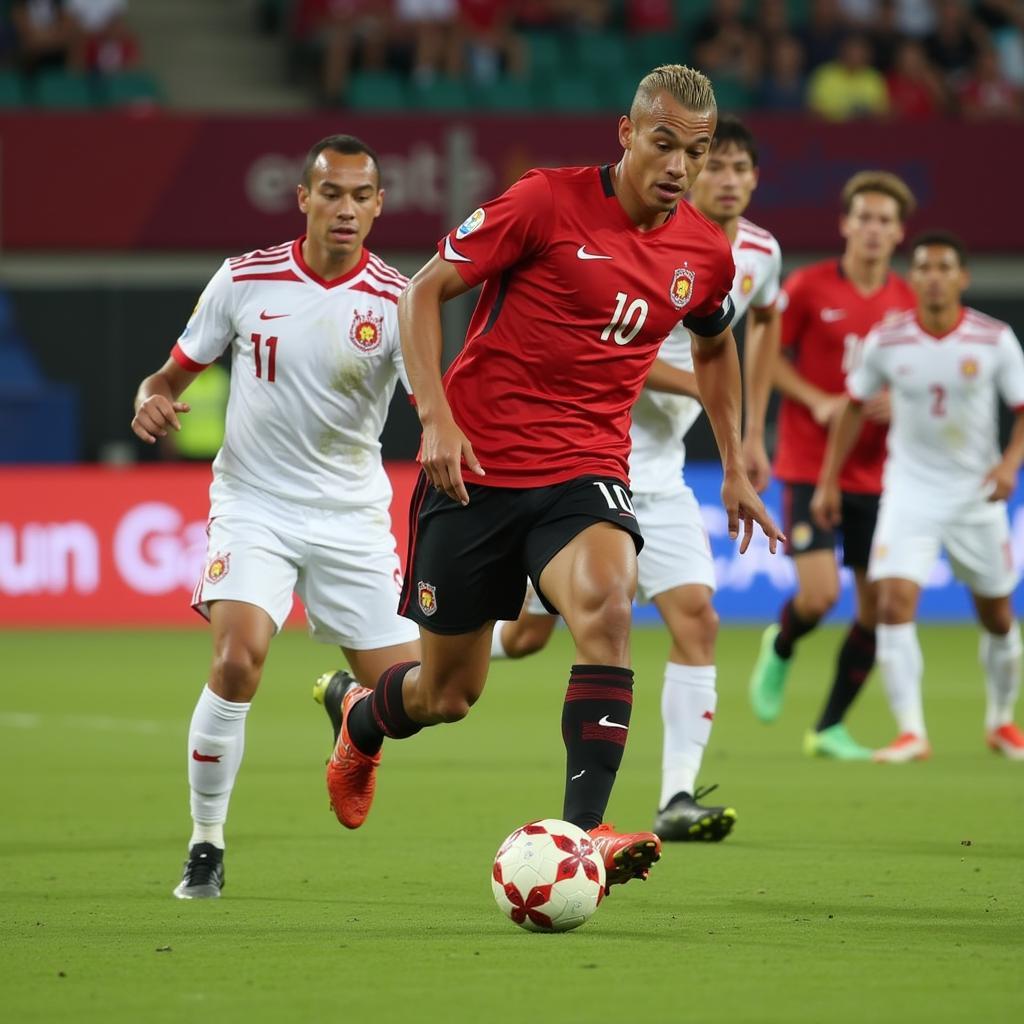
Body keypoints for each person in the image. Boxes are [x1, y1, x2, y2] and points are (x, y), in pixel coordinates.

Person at [319, 64, 783, 895]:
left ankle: (587, 829)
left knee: (609, 602)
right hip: (474, 470)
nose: (680, 166)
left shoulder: (704, 255)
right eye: (665, 143)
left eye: (699, 151)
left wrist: (737, 463)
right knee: (449, 695)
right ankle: (362, 715)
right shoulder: (543, 201)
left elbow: (715, 345)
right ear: (627, 134)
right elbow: (423, 293)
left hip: (586, 471)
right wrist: (434, 417)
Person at [130, 135, 421, 900]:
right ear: (304, 199)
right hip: (255, 505)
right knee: (236, 662)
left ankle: (353, 709)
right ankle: (206, 845)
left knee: (420, 697)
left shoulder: (400, 300)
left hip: (353, 516)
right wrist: (150, 396)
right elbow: (171, 370)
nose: (347, 209)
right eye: (333, 193)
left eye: (363, 196)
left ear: (380, 205)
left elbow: (436, 408)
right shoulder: (244, 279)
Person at [487, 115, 783, 843]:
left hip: (663, 471)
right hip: (579, 462)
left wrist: (746, 438)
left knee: (696, 618)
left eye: (728, 163)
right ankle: (423, 655)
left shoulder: (757, 254)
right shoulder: (626, 232)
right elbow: (617, 348)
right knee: (525, 638)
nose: (721, 178)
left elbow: (759, 330)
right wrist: (699, 389)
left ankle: (675, 798)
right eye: (711, 165)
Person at [812, 231, 1024, 762]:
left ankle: (1001, 721)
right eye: (924, 268)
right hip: (908, 491)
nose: (933, 277)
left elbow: (1022, 411)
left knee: (997, 614)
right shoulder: (889, 341)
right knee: (891, 601)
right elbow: (854, 405)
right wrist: (829, 478)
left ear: (962, 278)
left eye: (943, 268)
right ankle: (912, 732)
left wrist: (1008, 464)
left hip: (976, 495)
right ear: (915, 279)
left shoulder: (993, 339)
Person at [748, 171, 917, 759]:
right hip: (808, 462)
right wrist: (814, 397)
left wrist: (904, 400)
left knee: (878, 608)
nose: (872, 229)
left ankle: (829, 727)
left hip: (881, 476)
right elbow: (767, 361)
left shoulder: (908, 303)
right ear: (845, 224)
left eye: (884, 220)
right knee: (819, 597)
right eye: (863, 217)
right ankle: (784, 643)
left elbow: (930, 377)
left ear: (899, 233)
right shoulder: (809, 287)